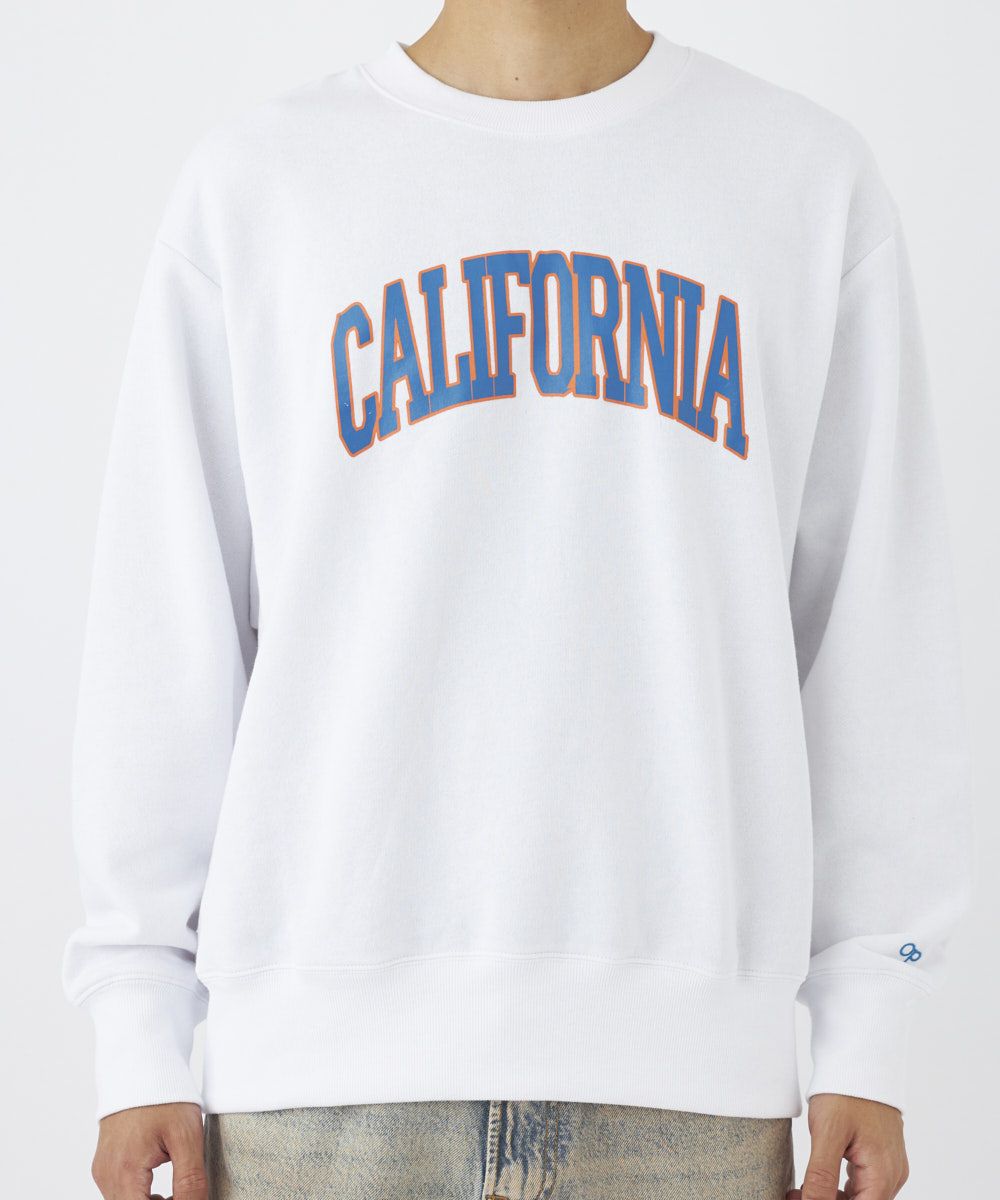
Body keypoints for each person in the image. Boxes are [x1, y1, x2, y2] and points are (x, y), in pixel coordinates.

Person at [63, 2, 973, 1197]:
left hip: (687, 1094)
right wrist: (136, 1016)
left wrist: (873, 1015)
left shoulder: (801, 178)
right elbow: (166, 621)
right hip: (315, 1092)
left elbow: (874, 631)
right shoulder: (261, 183)